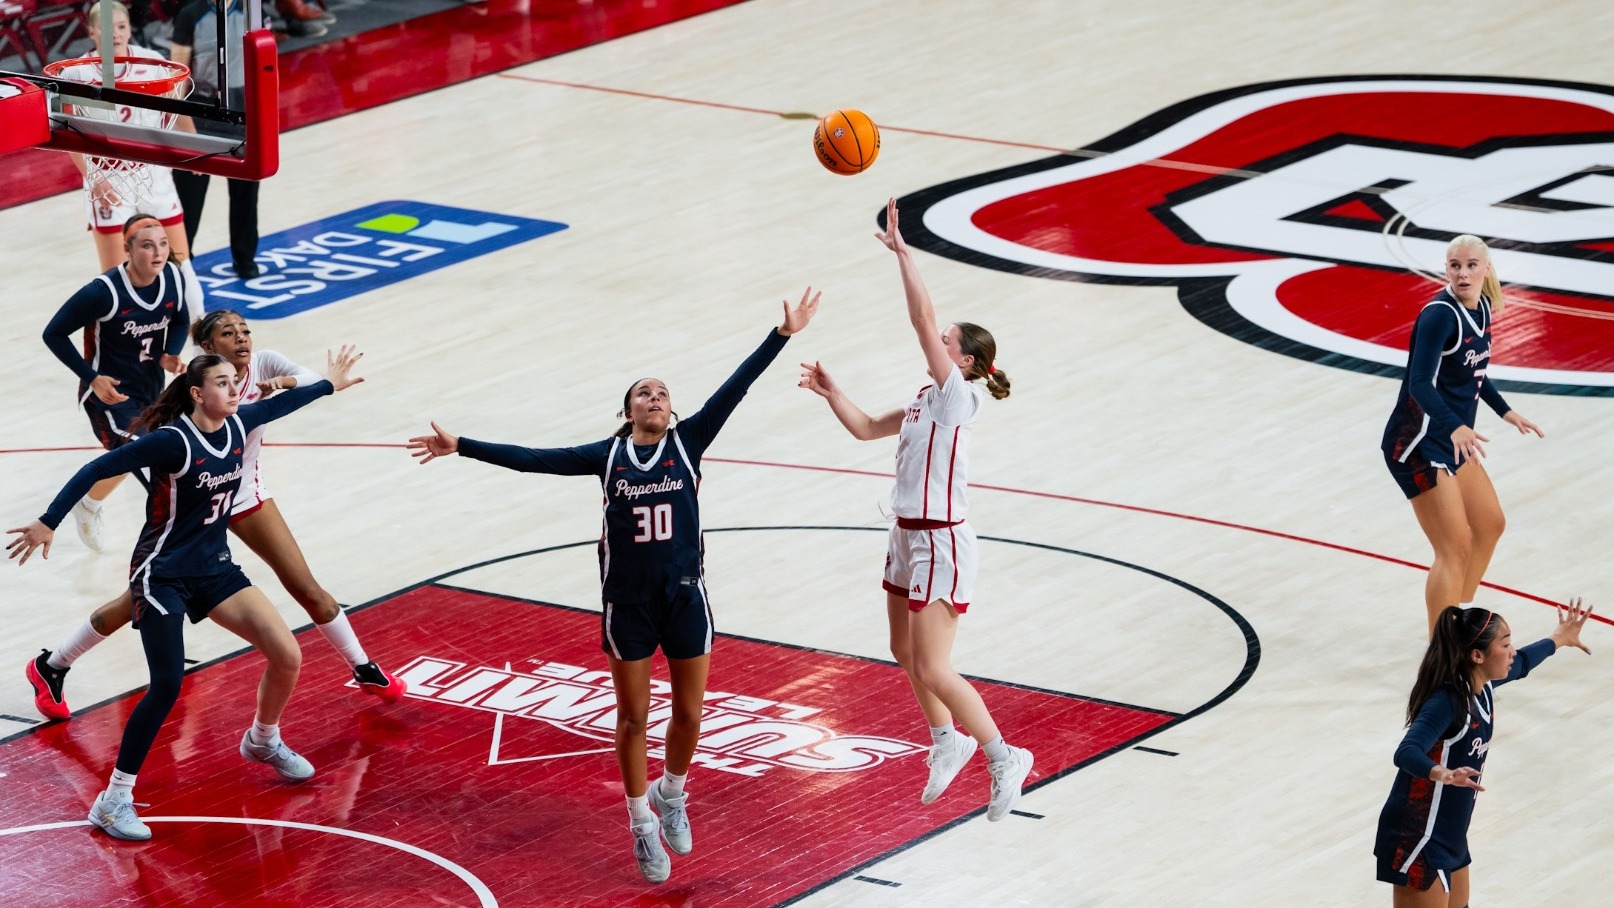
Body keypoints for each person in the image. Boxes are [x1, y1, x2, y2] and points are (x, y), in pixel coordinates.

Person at [406, 288, 820, 884]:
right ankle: (639, 823)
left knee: (691, 712)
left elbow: (738, 386)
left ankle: (671, 791)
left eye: (662, 393)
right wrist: (461, 445)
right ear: (627, 412)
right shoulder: (607, 457)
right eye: (642, 393)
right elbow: (531, 458)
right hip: (626, 604)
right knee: (632, 719)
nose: (653, 397)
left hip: (684, 595)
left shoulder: (689, 441)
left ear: (671, 411)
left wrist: (781, 336)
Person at [5, 347, 366, 842]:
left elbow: (288, 404)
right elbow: (96, 469)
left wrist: (330, 383)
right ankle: (113, 800)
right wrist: (49, 521)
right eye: (222, 382)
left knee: (287, 654)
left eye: (233, 381)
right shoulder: (172, 442)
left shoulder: (239, 424)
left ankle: (263, 740)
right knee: (167, 684)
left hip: (213, 570)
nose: (234, 389)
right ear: (198, 393)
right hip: (162, 574)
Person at [26, 310, 405, 723]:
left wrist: (285, 382)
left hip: (244, 498)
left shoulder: (264, 363)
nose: (242, 338)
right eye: (229, 333)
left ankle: (363, 666)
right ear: (208, 348)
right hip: (195, 504)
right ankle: (54, 664)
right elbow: (134, 456)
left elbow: (315, 383)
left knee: (305, 585)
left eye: (245, 330)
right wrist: (51, 518)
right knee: (138, 599)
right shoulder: (201, 388)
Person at [797, 198, 1033, 822]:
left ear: (966, 362)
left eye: (949, 341)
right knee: (904, 654)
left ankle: (1005, 756)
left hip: (942, 542)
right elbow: (868, 428)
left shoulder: (959, 398)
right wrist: (831, 392)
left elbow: (922, 317)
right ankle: (945, 741)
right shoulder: (927, 397)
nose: (939, 338)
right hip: (905, 537)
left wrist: (904, 254)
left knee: (934, 663)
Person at [1374, 599, 1592, 906]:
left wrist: (1559, 638)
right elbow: (1407, 751)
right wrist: (1444, 773)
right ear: (1477, 655)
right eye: (1505, 644)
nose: (1512, 650)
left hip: (1450, 833)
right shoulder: (1447, 701)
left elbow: (1524, 662)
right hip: (1418, 836)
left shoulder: (1483, 686)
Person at [1381, 235, 1545, 633]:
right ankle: (1442, 646)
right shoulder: (1441, 314)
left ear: (1486, 268)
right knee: (1453, 547)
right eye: (1455, 265)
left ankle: (1459, 616)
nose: (1463, 272)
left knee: (1490, 524)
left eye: (1472, 264)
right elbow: (1420, 382)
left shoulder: (1484, 307)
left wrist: (1504, 410)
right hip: (1417, 442)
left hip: (1453, 438)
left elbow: (1473, 372)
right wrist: (1455, 424)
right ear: (1446, 268)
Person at [42, 214, 188, 552]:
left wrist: (170, 353)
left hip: (152, 391)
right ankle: (172, 548)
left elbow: (180, 317)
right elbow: (53, 333)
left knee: (129, 456)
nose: (158, 252)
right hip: (111, 397)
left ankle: (89, 504)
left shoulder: (173, 278)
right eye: (148, 245)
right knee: (157, 466)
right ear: (127, 249)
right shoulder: (103, 292)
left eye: (163, 244)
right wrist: (91, 378)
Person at [63, 0, 203, 315]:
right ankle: (125, 349)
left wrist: (195, 147)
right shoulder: (76, 73)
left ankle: (199, 345)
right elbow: (69, 136)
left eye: (121, 27)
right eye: (106, 28)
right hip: (106, 177)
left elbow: (176, 109)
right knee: (115, 278)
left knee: (181, 265)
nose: (115, 34)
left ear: (129, 29)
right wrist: (93, 181)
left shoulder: (153, 62)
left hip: (151, 173)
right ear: (91, 31)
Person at [168, 0, 264, 279]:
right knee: (189, 195)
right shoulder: (190, 14)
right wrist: (182, 125)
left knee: (246, 192)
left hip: (243, 110)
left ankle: (245, 258)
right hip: (202, 112)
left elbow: (264, 67)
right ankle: (180, 263)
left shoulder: (253, 12)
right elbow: (178, 76)